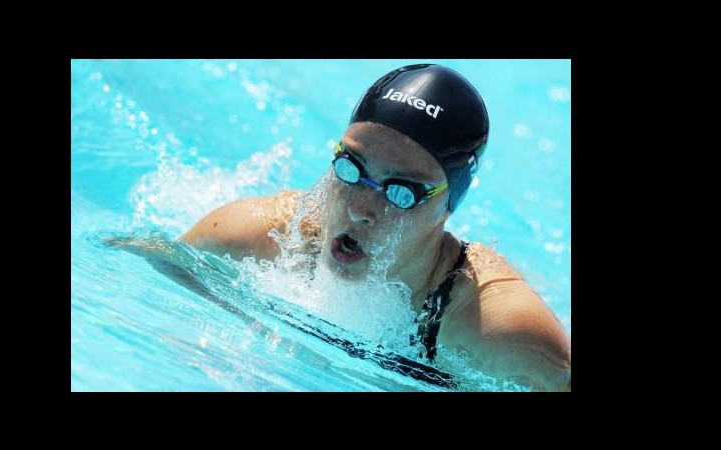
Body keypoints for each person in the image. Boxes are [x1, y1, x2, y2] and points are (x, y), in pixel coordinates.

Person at [115, 63, 571, 391]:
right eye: (351, 168)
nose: (360, 209)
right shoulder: (255, 236)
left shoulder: (501, 336)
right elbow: (126, 292)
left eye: (400, 192)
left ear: (448, 207)